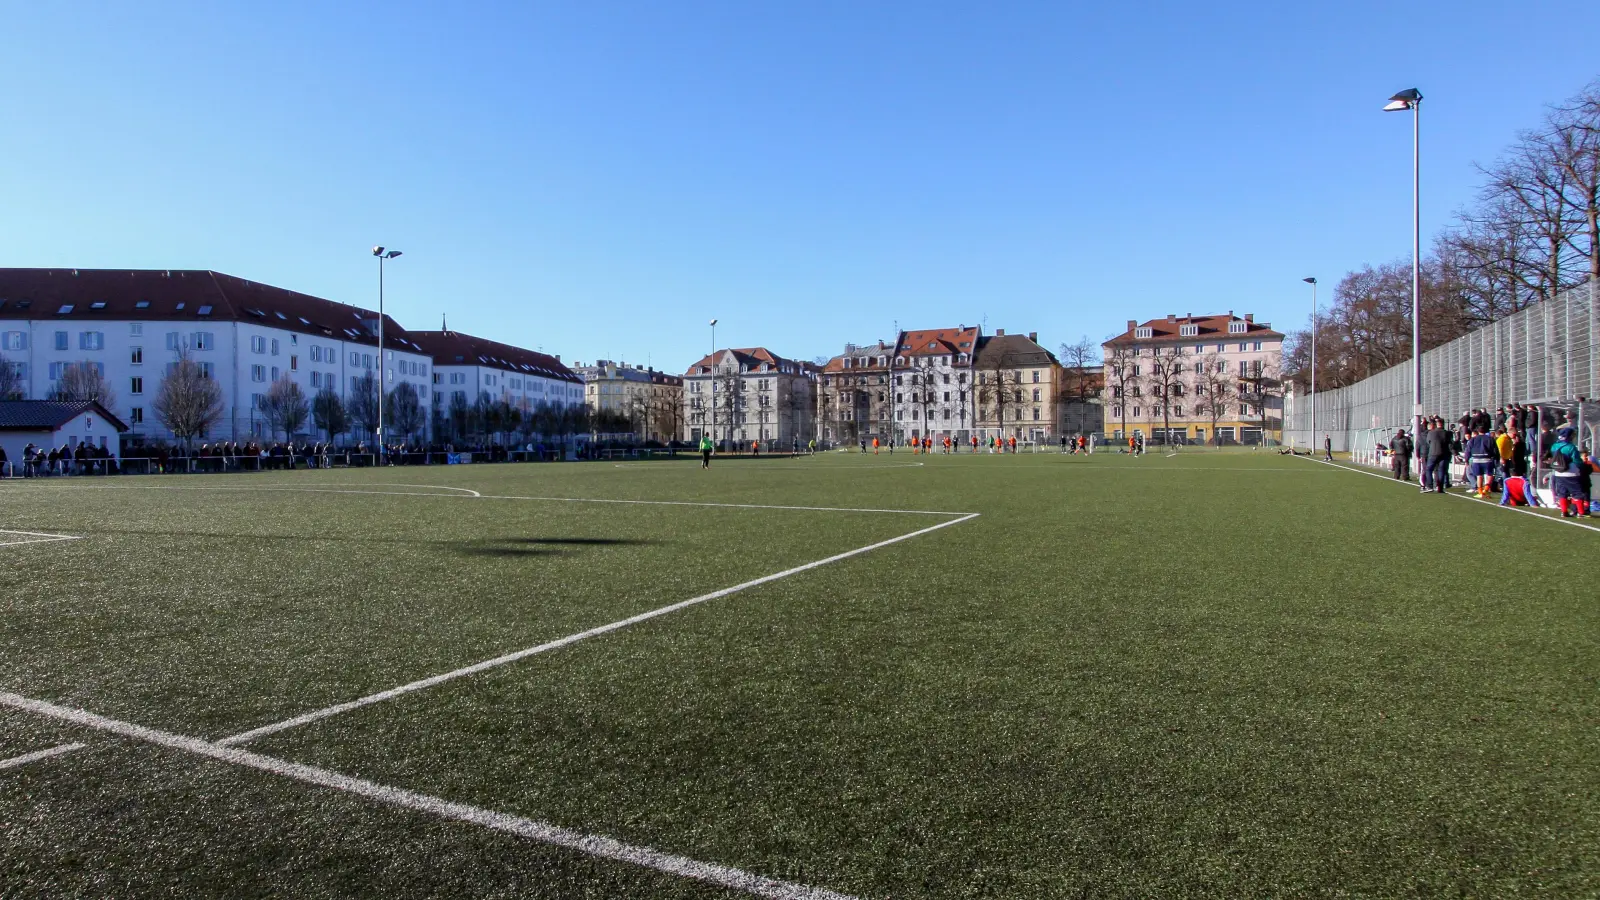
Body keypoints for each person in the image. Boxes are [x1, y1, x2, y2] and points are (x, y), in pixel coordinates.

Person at [1547, 427, 1587, 517]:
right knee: (1577, 492)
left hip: (1558, 472)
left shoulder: (1554, 446)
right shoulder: (1571, 447)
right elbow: (1577, 460)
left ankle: (1564, 512)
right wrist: (1582, 466)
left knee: (1562, 492)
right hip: (1571, 472)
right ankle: (1581, 513)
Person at [1463, 427, 1497, 497]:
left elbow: (1468, 450)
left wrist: (1466, 460)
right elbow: (1495, 450)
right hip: (1488, 459)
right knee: (1489, 475)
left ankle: (1480, 492)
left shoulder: (1473, 439)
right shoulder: (1490, 439)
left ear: (1478, 431)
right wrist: (1497, 458)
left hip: (1476, 459)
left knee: (1479, 476)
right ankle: (1486, 490)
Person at [1422, 417, 1452, 493]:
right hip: (1444, 453)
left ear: (1436, 424)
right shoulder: (1447, 433)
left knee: (1429, 469)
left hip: (1433, 453)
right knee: (1441, 470)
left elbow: (1428, 442)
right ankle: (1440, 488)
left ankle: (1430, 485)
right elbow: (1450, 443)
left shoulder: (1431, 432)